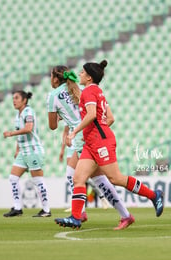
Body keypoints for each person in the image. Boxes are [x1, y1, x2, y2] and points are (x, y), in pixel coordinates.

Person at [54, 60, 164, 229]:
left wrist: (76, 131)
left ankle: (153, 195)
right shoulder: (97, 91)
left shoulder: (88, 92)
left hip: (99, 143)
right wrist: (92, 132)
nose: (80, 75)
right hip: (92, 142)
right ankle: (76, 217)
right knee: (78, 178)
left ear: (89, 77)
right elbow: (110, 118)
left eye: (83, 73)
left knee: (116, 178)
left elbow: (91, 114)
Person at [47, 66, 135, 230]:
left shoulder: (53, 96)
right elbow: (106, 116)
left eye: (50, 76)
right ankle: (88, 213)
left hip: (82, 138)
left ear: (55, 79)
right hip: (90, 135)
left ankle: (84, 214)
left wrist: (59, 117)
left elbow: (52, 126)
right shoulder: (82, 88)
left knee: (98, 179)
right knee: (79, 175)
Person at [3, 90, 51, 217]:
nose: (14, 100)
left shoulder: (28, 112)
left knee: (37, 180)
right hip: (23, 151)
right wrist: (17, 149)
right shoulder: (18, 115)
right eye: (13, 98)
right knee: (13, 178)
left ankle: (46, 210)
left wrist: (11, 133)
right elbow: (21, 131)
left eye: (17, 98)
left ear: (24, 100)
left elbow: (28, 129)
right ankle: (18, 208)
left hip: (32, 150)